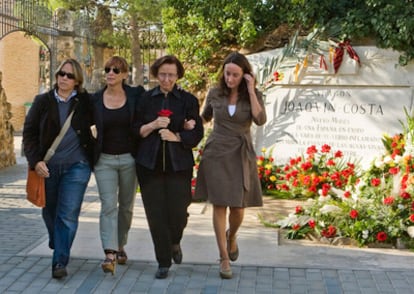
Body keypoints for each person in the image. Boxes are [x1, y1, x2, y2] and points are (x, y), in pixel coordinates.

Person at [194, 51, 267, 279]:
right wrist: (187, 123)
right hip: (216, 153)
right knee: (219, 205)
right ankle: (224, 258)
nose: (230, 79)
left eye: (235, 75)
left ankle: (232, 236)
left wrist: (252, 90)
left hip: (240, 153)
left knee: (238, 207)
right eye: (227, 74)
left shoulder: (253, 95)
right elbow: (204, 117)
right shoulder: (215, 92)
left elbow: (260, 119)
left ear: (245, 75)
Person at [23, 58, 95, 279]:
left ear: (77, 81)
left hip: (77, 166)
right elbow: (29, 134)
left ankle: (60, 262)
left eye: (69, 76)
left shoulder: (86, 102)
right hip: (49, 168)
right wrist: (36, 162)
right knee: (50, 212)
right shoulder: (42, 101)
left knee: (67, 215)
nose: (64, 78)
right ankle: (57, 240)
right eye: (61, 74)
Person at [135, 55, 204, 279]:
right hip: (149, 165)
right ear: (156, 74)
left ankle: (175, 241)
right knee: (156, 215)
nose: (166, 79)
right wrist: (153, 124)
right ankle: (163, 261)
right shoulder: (145, 99)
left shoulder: (187, 100)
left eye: (171, 75)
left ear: (177, 76)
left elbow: (197, 133)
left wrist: (177, 136)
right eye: (163, 74)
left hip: (179, 166)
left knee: (178, 213)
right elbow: (134, 129)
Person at [91, 56, 145, 275]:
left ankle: (121, 244)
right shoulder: (95, 99)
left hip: (129, 159)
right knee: (108, 206)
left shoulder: (136, 95)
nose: (110, 73)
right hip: (104, 160)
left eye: (116, 70)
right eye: (107, 70)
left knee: (126, 207)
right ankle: (110, 252)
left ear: (125, 74)